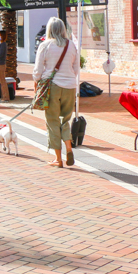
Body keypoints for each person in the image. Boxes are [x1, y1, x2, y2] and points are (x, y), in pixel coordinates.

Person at [33, 17, 80, 168]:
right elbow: (76, 69)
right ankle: (69, 148)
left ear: (49, 29)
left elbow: (38, 70)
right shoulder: (71, 45)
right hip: (70, 86)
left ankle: (58, 159)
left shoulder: (45, 45)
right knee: (65, 120)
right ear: (63, 29)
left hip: (52, 86)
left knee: (52, 121)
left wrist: (36, 84)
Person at [0, 30, 11, 101]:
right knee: (1, 80)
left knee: (2, 80)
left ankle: (5, 97)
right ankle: (4, 96)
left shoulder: (3, 44)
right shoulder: (2, 44)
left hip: (1, 64)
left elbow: (0, 55)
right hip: (0, 63)